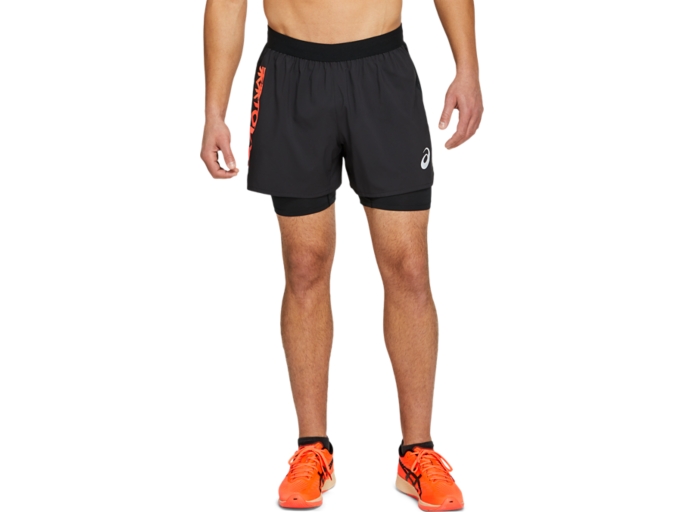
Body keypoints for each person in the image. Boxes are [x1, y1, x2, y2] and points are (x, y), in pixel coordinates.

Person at [200, 0, 483, 509]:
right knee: (305, 265)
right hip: (291, 75)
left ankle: (417, 453)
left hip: (382, 72)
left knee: (409, 267)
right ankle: (313, 450)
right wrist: (214, 111)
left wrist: (468, 67)